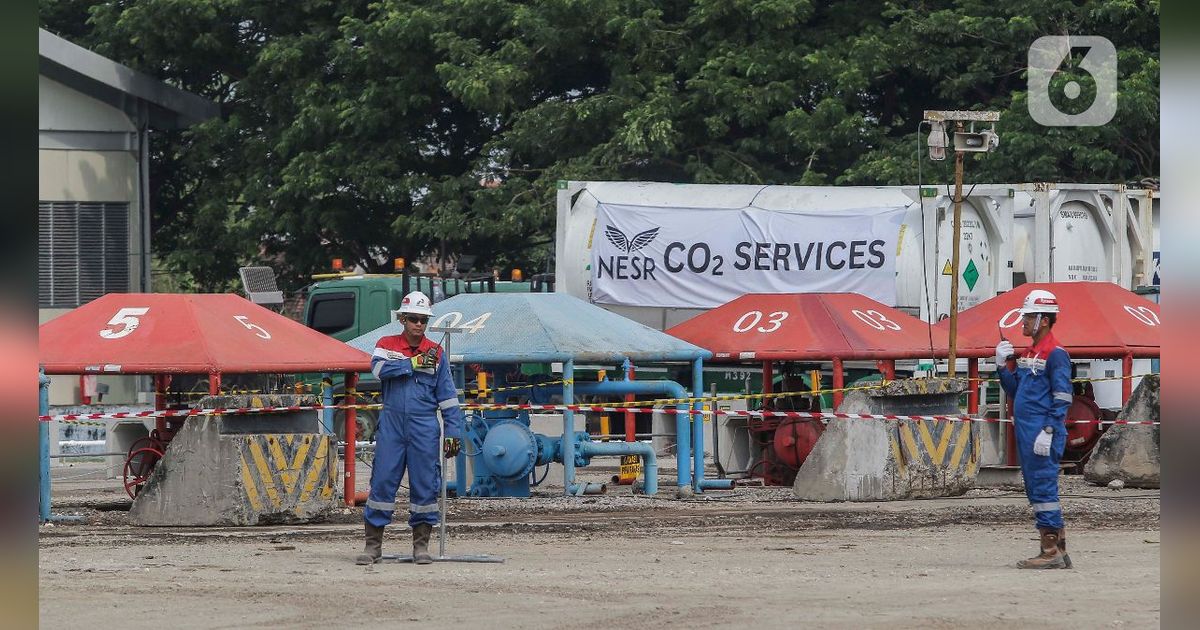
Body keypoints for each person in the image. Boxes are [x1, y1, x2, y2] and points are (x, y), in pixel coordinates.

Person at [356, 291, 463, 565]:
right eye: (414, 319)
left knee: (426, 485)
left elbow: (448, 397)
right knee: (382, 483)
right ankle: (372, 546)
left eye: (423, 320)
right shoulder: (386, 344)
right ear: (402, 319)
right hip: (392, 427)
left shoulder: (436, 353)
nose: (419, 324)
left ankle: (421, 546)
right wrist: (412, 364)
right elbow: (378, 369)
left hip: (424, 428)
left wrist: (453, 432)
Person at [995, 288, 1073, 569]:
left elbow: (1063, 396)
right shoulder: (1029, 353)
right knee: (1036, 490)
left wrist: (1050, 430)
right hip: (1029, 432)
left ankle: (1051, 551)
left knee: (1042, 490)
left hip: (1042, 433)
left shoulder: (1056, 354)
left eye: (1028, 317)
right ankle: (1058, 549)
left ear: (1043, 319)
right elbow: (1017, 391)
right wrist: (1003, 367)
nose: (1023, 322)